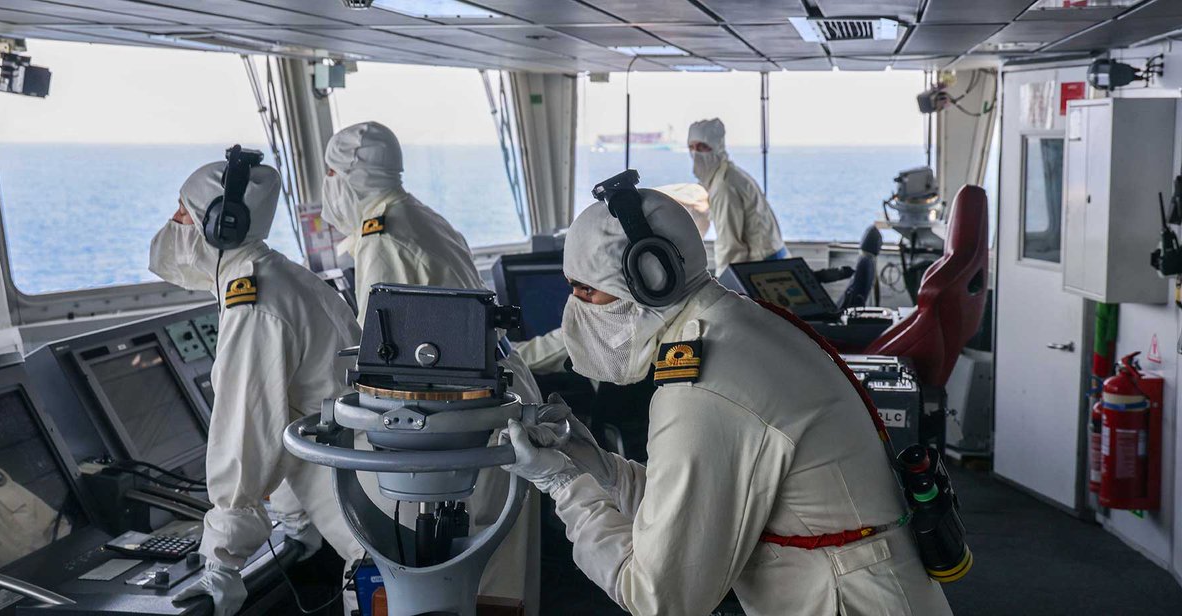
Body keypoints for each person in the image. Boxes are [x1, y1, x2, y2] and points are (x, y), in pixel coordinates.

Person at [501, 187, 953, 615]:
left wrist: (564, 488)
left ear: (651, 278)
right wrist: (597, 468)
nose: (576, 308)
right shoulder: (736, 322)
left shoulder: (701, 390)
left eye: (586, 290)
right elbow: (696, 512)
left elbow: (660, 599)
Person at [321, 121, 542, 609]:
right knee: (500, 583)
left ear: (345, 179)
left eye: (330, 174)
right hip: (491, 401)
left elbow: (392, 361)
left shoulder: (383, 239)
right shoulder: (423, 217)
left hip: (455, 425)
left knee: (461, 583)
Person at [150, 159, 365, 616]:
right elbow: (292, 418)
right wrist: (296, 517)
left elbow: (247, 435)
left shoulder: (255, 303)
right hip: (368, 499)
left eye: (183, 213)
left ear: (220, 227)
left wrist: (220, 563)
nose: (174, 224)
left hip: (368, 523)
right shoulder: (281, 275)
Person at [688, 118, 787, 275]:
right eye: (691, 148)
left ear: (716, 147)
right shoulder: (726, 176)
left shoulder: (724, 186)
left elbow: (730, 247)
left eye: (702, 147)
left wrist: (724, 288)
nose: (696, 154)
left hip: (763, 266)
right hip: (773, 260)